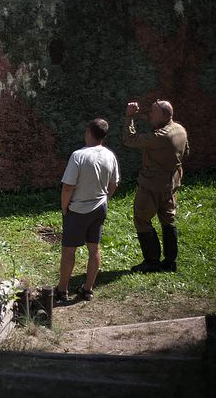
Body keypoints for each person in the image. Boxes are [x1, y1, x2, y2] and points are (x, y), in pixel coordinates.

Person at [56, 118, 120, 302]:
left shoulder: (78, 156)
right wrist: (106, 198)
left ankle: (62, 290)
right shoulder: (110, 155)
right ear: (105, 136)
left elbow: (68, 187)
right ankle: (88, 289)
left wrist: (64, 207)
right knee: (94, 249)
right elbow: (114, 184)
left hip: (77, 210)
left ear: (88, 132)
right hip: (99, 208)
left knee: (69, 251)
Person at [124, 100, 189, 273]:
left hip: (152, 185)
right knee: (168, 220)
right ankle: (170, 262)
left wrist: (129, 117)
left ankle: (152, 261)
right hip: (171, 183)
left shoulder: (160, 136)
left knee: (142, 219)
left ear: (164, 115)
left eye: (153, 112)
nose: (149, 115)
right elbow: (185, 152)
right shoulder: (180, 130)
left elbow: (130, 140)